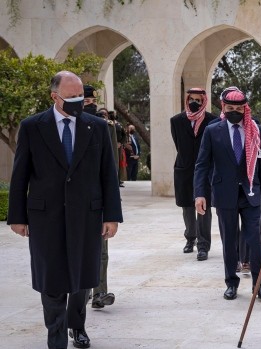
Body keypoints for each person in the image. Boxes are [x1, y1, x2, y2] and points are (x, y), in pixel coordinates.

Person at [7, 71, 123, 349]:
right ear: (54, 96)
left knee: (83, 275)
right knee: (52, 277)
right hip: (45, 215)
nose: (78, 102)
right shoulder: (33, 127)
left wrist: (112, 216)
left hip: (87, 213)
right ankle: (55, 334)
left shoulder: (96, 126)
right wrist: (17, 217)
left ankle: (78, 325)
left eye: (80, 96)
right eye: (71, 97)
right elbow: (20, 174)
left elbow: (107, 174)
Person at [194, 86, 261, 301]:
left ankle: (259, 285)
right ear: (223, 107)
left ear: (245, 107)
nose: (234, 111)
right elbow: (202, 164)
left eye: (239, 107)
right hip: (224, 193)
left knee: (255, 241)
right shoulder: (212, 130)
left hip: (252, 193)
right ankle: (231, 283)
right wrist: (200, 193)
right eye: (230, 107)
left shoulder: (257, 130)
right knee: (229, 241)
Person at [170, 87, 217, 261]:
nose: (195, 103)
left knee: (204, 208)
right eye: (192, 99)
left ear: (204, 100)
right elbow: (178, 144)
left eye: (198, 100)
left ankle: (203, 245)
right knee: (187, 207)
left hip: (205, 170)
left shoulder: (212, 121)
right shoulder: (176, 121)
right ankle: (190, 238)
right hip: (184, 169)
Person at [84, 87, 119, 310]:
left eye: (91, 100)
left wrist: (112, 206)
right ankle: (82, 290)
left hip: (96, 199)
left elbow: (111, 168)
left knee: (101, 251)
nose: (89, 104)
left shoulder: (104, 127)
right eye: (84, 100)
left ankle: (100, 292)